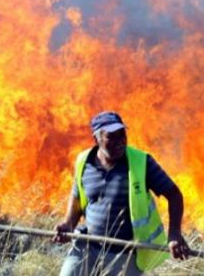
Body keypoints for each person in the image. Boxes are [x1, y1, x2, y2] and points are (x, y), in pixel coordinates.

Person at [54, 111, 191, 275]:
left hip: (125, 252)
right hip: (87, 245)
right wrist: (68, 224)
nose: (120, 142)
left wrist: (174, 234)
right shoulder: (84, 161)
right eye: (111, 136)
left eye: (122, 135)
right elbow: (77, 195)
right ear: (96, 139)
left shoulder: (141, 162)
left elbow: (174, 195)